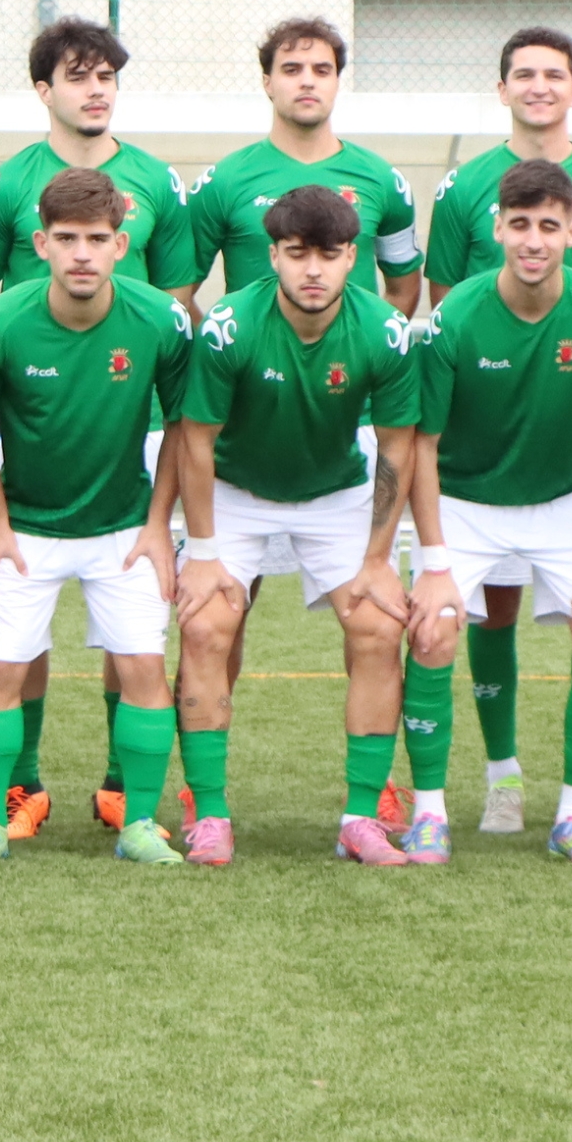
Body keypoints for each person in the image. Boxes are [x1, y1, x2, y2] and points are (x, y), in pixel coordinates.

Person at [0, 16, 197, 840]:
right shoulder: (3, 215)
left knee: (140, 658)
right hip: (31, 467)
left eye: (107, 76)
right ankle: (7, 803)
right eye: (78, 74)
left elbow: (179, 307)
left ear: (119, 241)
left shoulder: (158, 200)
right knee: (8, 659)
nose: (96, 89)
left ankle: (132, 804)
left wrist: (163, 522)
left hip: (134, 453)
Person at [417, 25, 572, 836]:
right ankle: (502, 774)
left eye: (554, 73)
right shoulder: (462, 189)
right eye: (525, 73)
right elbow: (449, 305)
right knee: (490, 612)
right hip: (483, 430)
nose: (539, 85)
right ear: (502, 86)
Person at [165, 184, 420, 867]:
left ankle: (362, 816)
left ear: (351, 257)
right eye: (297, 253)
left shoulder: (384, 330)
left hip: (336, 491)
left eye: (329, 255)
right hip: (235, 489)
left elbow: (397, 444)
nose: (313, 270)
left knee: (378, 623)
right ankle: (208, 811)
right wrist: (205, 552)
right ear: (271, 254)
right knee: (205, 623)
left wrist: (377, 557)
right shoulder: (229, 324)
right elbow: (195, 438)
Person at [188, 16, 425, 310]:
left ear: (337, 82)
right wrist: (221, 348)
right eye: (291, 70)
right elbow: (178, 294)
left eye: (322, 70)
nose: (308, 81)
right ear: (268, 83)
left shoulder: (384, 180)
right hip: (254, 357)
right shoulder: (223, 181)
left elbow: (404, 289)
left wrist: (369, 351)